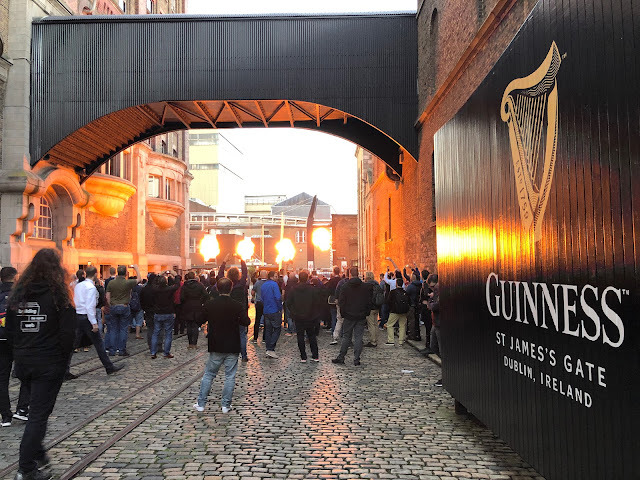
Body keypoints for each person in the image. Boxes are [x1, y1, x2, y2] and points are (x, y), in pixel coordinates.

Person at [6, 248, 75, 480]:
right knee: (38, 416)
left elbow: (10, 330)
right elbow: (68, 335)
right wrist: (62, 361)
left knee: (36, 411)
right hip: (48, 361)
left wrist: (19, 352)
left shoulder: (19, 295)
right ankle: (26, 469)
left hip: (24, 361)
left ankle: (38, 453)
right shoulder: (59, 295)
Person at [193, 278, 250, 413]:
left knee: (209, 374)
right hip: (232, 344)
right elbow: (246, 322)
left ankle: (201, 404)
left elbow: (199, 319)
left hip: (216, 344)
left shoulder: (210, 304)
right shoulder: (237, 305)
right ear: (231, 288)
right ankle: (226, 405)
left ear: (217, 289)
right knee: (230, 376)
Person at [73, 266, 124, 376]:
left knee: (74, 343)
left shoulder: (78, 285)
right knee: (99, 344)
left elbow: (75, 300)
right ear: (95, 274)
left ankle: (65, 370)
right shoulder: (91, 288)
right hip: (87, 318)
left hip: (78, 315)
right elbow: (90, 306)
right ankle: (109, 367)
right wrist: (94, 323)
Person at [0, 266, 30, 427]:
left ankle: (5, 416)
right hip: (19, 340)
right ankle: (22, 409)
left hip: (1, 340)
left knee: (2, 378)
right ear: (15, 277)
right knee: (26, 375)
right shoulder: (21, 294)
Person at [332, 267, 372, 366]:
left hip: (349, 315)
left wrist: (343, 313)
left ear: (350, 274)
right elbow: (368, 301)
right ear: (358, 274)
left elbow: (342, 302)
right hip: (361, 315)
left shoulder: (345, 286)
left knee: (346, 337)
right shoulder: (365, 287)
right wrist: (366, 312)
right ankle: (356, 359)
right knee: (358, 337)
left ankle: (341, 357)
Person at [105, 264, 140, 356]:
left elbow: (107, 296)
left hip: (114, 306)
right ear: (125, 273)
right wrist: (136, 268)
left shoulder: (111, 283)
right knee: (123, 329)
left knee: (113, 329)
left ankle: (112, 350)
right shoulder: (128, 282)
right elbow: (139, 279)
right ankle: (121, 350)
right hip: (124, 306)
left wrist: (111, 305)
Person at [286, 271, 321, 362]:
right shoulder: (312, 289)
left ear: (299, 278)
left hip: (298, 316)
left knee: (300, 336)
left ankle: (303, 356)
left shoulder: (293, 289)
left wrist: (294, 312)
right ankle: (315, 355)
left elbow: (288, 302)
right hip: (310, 316)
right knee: (312, 336)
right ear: (307, 278)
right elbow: (317, 302)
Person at [150, 275, 179, 359]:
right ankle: (166, 352)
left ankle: (153, 352)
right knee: (168, 333)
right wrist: (176, 276)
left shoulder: (155, 289)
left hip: (158, 313)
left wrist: (158, 275)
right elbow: (177, 285)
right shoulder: (169, 289)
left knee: (156, 333)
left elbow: (152, 283)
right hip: (168, 313)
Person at [180, 272, 208, 348]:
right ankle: (194, 343)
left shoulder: (185, 286)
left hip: (187, 307)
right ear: (194, 277)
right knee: (195, 325)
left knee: (189, 325)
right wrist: (200, 301)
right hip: (197, 306)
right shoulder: (199, 285)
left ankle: (190, 343)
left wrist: (185, 302)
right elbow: (206, 295)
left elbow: (181, 297)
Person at [261, 270, 282, 359]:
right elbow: (278, 297)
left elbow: (262, 298)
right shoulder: (274, 285)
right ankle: (271, 348)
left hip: (266, 310)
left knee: (268, 330)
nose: (277, 278)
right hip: (274, 310)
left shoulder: (263, 285)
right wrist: (280, 308)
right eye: (276, 276)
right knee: (277, 329)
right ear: (272, 277)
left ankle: (268, 348)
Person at [426, 274, 442, 386]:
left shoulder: (439, 289)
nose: (432, 288)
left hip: (440, 323)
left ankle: (446, 374)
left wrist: (430, 303)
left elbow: (435, 306)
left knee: (441, 349)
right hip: (435, 323)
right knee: (434, 347)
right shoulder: (436, 291)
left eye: (432, 286)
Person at [385, 277, 411, 346]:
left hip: (394, 311)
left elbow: (388, 301)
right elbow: (409, 302)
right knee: (402, 326)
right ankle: (401, 341)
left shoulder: (393, 292)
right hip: (403, 311)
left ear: (396, 284)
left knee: (389, 325)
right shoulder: (405, 292)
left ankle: (391, 340)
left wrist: (391, 308)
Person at [363, 271, 383, 347]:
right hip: (377, 306)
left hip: (370, 307)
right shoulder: (377, 285)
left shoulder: (367, 286)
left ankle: (373, 341)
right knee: (375, 324)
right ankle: (375, 339)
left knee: (371, 324)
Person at [251, 270, 267, 343]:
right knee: (266, 321)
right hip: (266, 303)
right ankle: (264, 338)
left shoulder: (257, 283)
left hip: (259, 303)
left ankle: (255, 338)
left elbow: (252, 292)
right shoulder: (268, 283)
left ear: (260, 275)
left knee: (257, 320)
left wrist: (254, 297)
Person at [405, 273, 423, 341]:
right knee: (417, 320)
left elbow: (406, 294)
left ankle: (411, 335)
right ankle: (417, 334)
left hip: (411, 305)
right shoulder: (420, 285)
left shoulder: (411, 286)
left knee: (411, 321)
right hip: (418, 305)